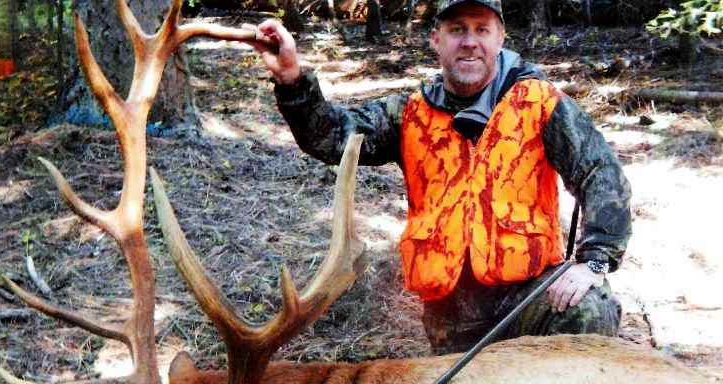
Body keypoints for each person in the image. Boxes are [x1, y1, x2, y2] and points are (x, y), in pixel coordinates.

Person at [251, 0, 632, 355]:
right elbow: (333, 137)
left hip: (529, 294)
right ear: (437, 39)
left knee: (589, 311)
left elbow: (600, 170)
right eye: (457, 29)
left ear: (500, 38)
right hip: (453, 312)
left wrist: (594, 260)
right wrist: (292, 79)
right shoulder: (409, 112)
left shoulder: (540, 103)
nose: (469, 42)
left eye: (482, 30)